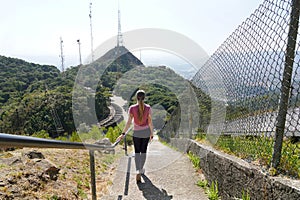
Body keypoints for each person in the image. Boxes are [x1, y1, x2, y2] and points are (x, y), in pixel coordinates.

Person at [117, 89, 154, 183]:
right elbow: (149, 122)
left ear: (136, 98)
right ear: (144, 97)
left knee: (137, 152)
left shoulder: (132, 108)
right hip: (145, 133)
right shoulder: (148, 108)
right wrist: (151, 133)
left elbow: (129, 122)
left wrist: (123, 133)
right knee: (144, 151)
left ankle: (138, 170)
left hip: (136, 133)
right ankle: (141, 169)